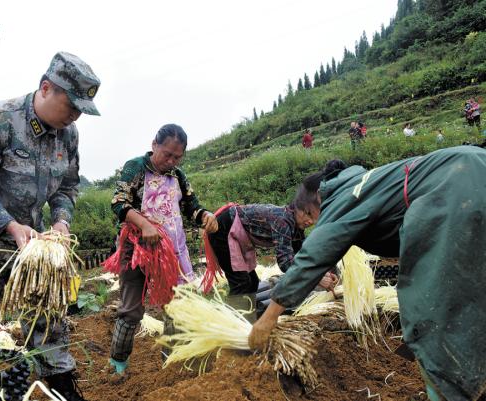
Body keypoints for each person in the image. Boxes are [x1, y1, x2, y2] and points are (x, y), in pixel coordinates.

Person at [249, 147, 486, 401]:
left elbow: (313, 255)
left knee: (430, 315)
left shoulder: (343, 195)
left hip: (456, 193)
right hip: (475, 167)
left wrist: (268, 318)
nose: (315, 222)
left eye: (312, 214)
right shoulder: (369, 181)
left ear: (318, 198)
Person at [0, 51, 100, 401]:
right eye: (71, 105)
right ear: (46, 88)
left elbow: (67, 187)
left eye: (81, 109)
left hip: (33, 245)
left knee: (48, 315)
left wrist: (61, 222)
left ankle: (60, 386)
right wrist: (11, 226)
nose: (76, 115)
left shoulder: (69, 135)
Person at [106, 124, 218, 375]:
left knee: (177, 305)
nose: (171, 161)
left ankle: (172, 361)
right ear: (154, 145)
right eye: (167, 154)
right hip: (136, 248)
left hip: (171, 252)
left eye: (177, 157)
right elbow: (118, 203)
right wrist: (144, 224)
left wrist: (206, 216)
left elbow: (192, 207)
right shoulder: (135, 167)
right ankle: (117, 365)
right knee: (131, 310)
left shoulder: (178, 176)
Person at [204, 202, 337, 320]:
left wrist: (321, 273)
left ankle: (247, 320)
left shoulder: (296, 227)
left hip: (239, 235)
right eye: (307, 214)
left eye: (313, 217)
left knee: (253, 284)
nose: (310, 221)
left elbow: (303, 257)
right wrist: (316, 279)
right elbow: (285, 263)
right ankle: (231, 326)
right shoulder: (283, 221)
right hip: (223, 229)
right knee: (241, 284)